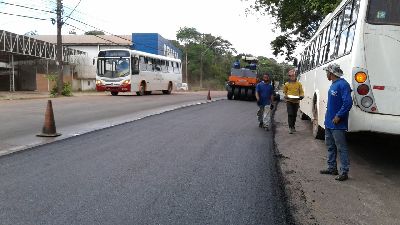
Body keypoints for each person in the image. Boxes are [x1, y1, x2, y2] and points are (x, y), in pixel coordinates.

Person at [319, 63, 353, 181]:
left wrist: (339, 116)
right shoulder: (333, 84)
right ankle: (332, 168)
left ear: (331, 73)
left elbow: (348, 103)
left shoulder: (343, 84)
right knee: (330, 146)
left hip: (337, 124)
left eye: (327, 72)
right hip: (329, 122)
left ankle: (344, 172)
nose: (326, 74)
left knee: (341, 148)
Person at [283, 69, 304, 134]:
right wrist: (286, 96)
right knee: (290, 114)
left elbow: (301, 92)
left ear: (295, 76)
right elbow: (285, 92)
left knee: (294, 115)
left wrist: (301, 96)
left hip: (296, 101)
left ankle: (293, 126)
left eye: (293, 76)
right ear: (289, 77)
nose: (292, 77)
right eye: (291, 76)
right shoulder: (286, 84)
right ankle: (290, 128)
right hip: (289, 101)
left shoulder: (299, 84)